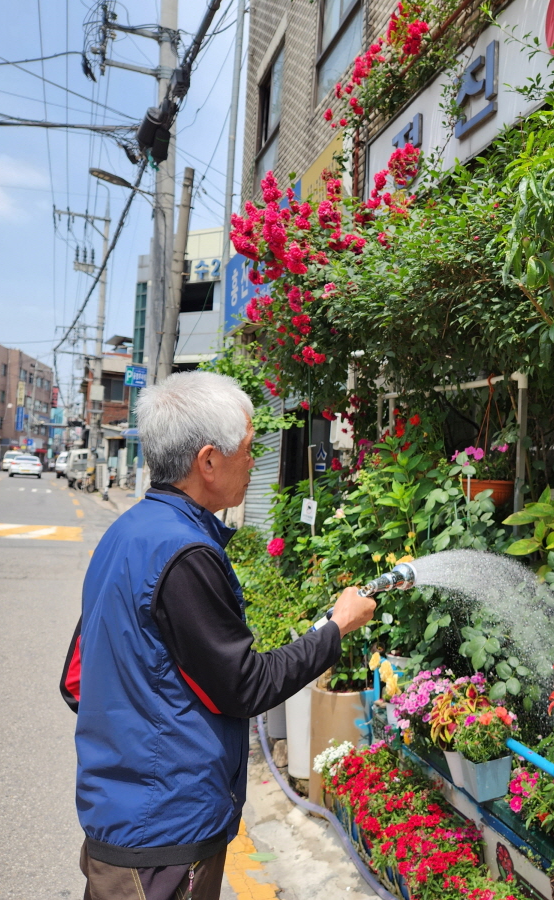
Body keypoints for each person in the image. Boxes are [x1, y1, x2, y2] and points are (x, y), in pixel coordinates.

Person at [59, 371, 376, 900]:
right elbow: (245, 687)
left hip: (122, 817)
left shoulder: (129, 532)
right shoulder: (185, 555)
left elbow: (76, 681)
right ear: (207, 461)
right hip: (165, 834)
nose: (254, 463)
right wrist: (336, 626)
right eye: (248, 449)